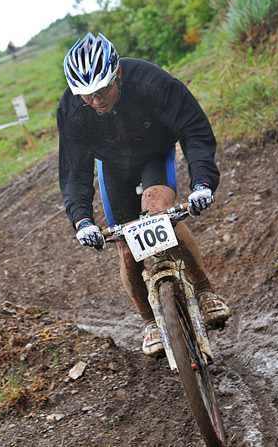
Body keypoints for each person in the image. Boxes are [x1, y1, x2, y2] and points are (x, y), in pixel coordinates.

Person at [57, 33, 230, 357]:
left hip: (154, 155)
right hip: (113, 168)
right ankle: (150, 321)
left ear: (117, 74)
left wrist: (202, 184)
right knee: (126, 248)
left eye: (103, 90)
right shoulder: (72, 109)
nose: (96, 101)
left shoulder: (152, 82)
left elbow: (194, 130)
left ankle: (205, 291)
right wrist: (82, 220)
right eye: (87, 95)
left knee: (159, 218)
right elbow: (74, 172)